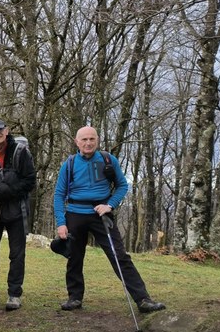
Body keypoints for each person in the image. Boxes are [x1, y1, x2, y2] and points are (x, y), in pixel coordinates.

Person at [53, 126, 166, 313]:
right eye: (84, 140)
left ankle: (143, 299)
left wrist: (110, 205)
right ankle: (74, 298)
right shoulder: (69, 164)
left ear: (97, 140)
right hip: (74, 213)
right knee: (74, 257)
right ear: (77, 142)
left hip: (101, 214)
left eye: (92, 139)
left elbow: (122, 185)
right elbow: (59, 194)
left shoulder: (108, 160)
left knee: (119, 255)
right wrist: (61, 222)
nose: (88, 143)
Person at [0, 119, 36, 311]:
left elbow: (30, 180)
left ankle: (14, 294)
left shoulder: (20, 152)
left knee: (17, 253)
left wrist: (9, 190)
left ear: (7, 131)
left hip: (16, 209)